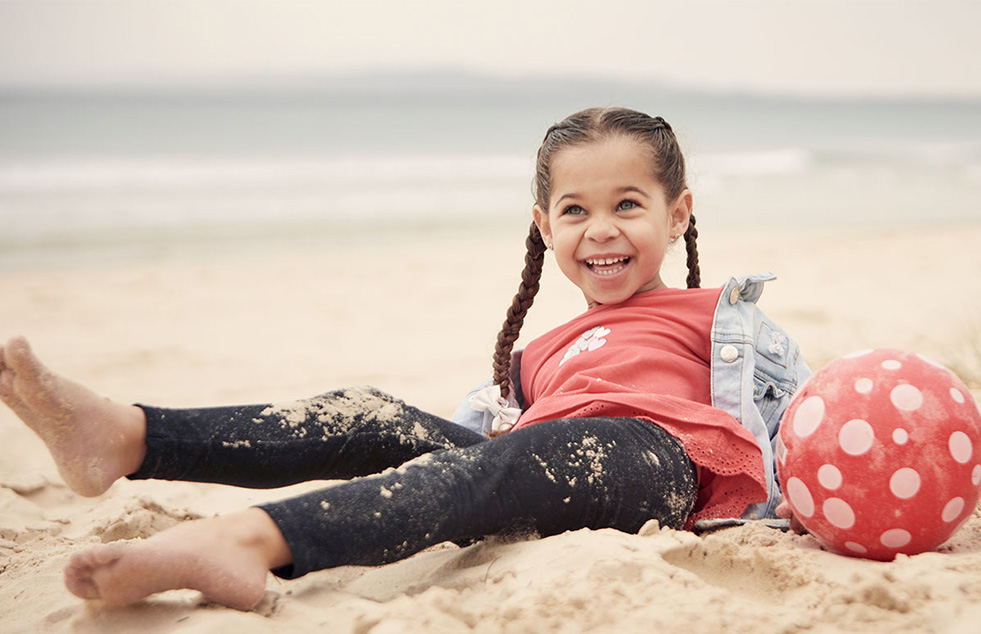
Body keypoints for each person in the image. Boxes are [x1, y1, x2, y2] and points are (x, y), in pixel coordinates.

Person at [0, 107, 810, 611]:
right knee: (372, 412)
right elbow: (480, 453)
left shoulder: (718, 315)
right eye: (575, 210)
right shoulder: (532, 357)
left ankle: (248, 541)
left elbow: (805, 415)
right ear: (543, 225)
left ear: (678, 215)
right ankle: (128, 436)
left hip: (654, 460)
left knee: (516, 458)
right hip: (532, 460)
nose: (599, 228)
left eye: (627, 204)